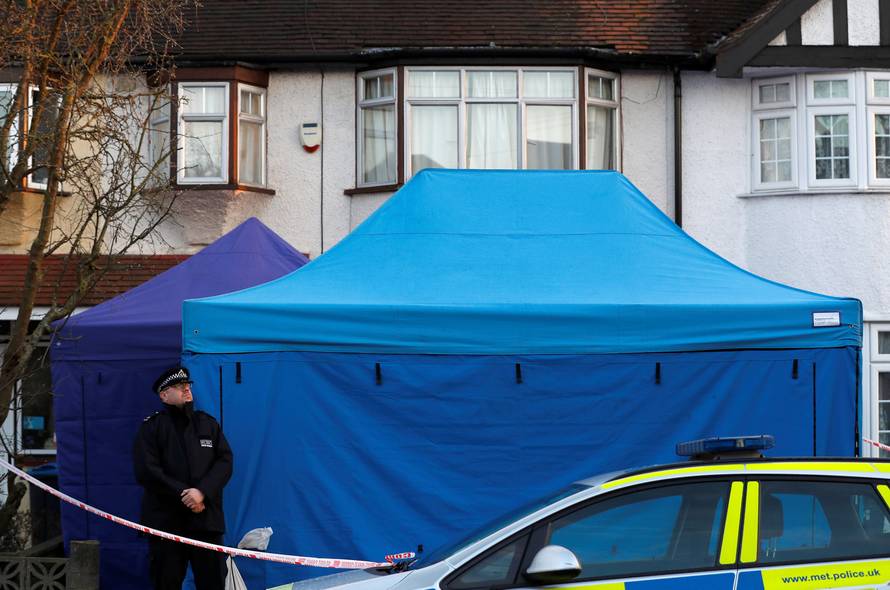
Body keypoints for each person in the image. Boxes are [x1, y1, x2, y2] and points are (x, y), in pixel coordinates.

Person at [133, 366, 233, 590]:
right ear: (164, 395)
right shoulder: (152, 428)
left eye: (187, 386)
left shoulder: (208, 424)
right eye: (179, 387)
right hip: (167, 523)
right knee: (166, 582)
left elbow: (224, 462)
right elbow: (147, 471)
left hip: (206, 521)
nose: (186, 390)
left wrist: (201, 493)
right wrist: (185, 495)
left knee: (213, 582)